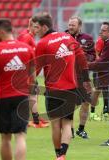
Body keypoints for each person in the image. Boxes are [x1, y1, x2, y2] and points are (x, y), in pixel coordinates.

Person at [32, 14, 91, 160]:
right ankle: (63, 155)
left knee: (55, 125)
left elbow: (34, 70)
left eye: (36, 27)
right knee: (67, 124)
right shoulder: (68, 38)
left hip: (53, 90)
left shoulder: (42, 43)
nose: (35, 31)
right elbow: (82, 59)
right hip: (71, 88)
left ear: (45, 27)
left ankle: (58, 154)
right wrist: (86, 80)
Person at [0, 18, 35, 160]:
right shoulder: (26, 48)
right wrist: (32, 95)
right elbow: (32, 74)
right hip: (22, 97)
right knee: (20, 136)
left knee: (5, 138)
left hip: (3, 98)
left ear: (1, 31)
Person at [66, 16, 100, 139]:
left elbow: (92, 55)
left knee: (86, 102)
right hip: (67, 76)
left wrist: (84, 58)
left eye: (73, 25)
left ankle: (81, 129)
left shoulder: (88, 39)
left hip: (82, 76)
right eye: (69, 25)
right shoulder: (63, 37)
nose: (70, 27)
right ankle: (69, 129)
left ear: (79, 26)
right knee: (69, 103)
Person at [18, 17, 49, 128]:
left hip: (24, 71)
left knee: (31, 95)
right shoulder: (27, 38)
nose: (37, 30)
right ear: (30, 25)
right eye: (35, 27)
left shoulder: (24, 35)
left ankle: (32, 119)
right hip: (27, 72)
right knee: (32, 95)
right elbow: (23, 54)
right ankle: (35, 121)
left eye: (38, 27)